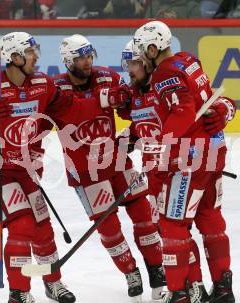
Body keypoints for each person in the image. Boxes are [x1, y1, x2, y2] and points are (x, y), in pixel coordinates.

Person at [0, 31, 83, 303]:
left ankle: (52, 282)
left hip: (25, 169)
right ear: (13, 58)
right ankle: (19, 291)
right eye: (30, 52)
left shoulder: (42, 83)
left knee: (43, 227)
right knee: (22, 225)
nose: (36, 56)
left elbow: (63, 109)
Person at [49, 34, 166, 302]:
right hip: (86, 173)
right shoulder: (57, 88)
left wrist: (130, 100)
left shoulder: (106, 77)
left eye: (90, 56)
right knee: (110, 229)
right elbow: (73, 112)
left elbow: (129, 105)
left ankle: (157, 271)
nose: (87, 62)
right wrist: (105, 99)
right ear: (68, 61)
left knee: (145, 219)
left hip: (116, 162)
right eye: (80, 58)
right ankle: (130, 272)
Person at [130, 21, 236, 303]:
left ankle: (179, 294)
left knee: (172, 225)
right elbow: (210, 98)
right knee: (210, 219)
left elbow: (183, 111)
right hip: (214, 151)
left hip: (189, 159)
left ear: (153, 48)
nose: (140, 56)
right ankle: (223, 289)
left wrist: (164, 146)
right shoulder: (188, 60)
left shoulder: (164, 73)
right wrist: (227, 107)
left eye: (142, 51)